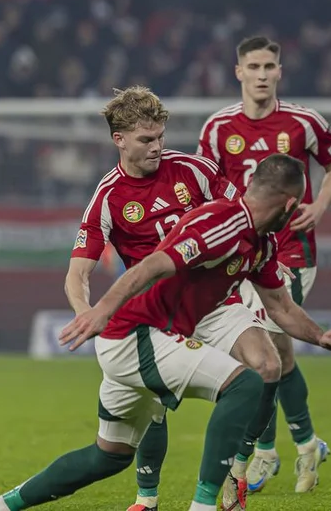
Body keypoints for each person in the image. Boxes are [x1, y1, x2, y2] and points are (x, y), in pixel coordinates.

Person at [0, 154, 331, 511]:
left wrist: (319, 336)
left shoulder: (260, 243)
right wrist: (101, 312)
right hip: (136, 334)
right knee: (245, 385)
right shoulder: (223, 221)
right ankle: (203, 503)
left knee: (108, 455)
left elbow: (280, 306)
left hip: (138, 339)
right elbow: (151, 265)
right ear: (288, 205)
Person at [65, 85, 290, 511]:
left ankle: (237, 473)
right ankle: (147, 499)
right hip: (154, 313)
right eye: (146, 140)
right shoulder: (108, 198)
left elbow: (243, 216)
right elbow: (77, 274)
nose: (157, 147)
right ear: (120, 140)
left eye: (161, 137)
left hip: (213, 300)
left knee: (266, 365)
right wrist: (86, 316)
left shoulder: (195, 170)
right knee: (149, 405)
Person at [197, 35, 331, 494]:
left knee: (270, 346)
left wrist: (319, 206)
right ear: (238, 72)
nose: (262, 74)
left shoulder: (303, 121)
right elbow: (207, 185)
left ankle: (266, 453)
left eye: (270, 66)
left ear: (280, 71)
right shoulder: (218, 128)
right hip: (242, 254)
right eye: (254, 67)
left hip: (293, 251)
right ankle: (305, 443)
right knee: (275, 354)